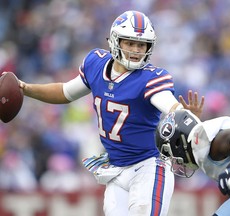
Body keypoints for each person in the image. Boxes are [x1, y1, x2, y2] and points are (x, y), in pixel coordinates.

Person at [7, 10, 204, 216]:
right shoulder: (96, 63)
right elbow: (65, 92)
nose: (136, 50)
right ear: (115, 41)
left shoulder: (151, 78)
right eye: (130, 43)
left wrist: (182, 114)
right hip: (116, 171)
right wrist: (24, 88)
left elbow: (168, 104)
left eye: (141, 44)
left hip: (149, 167)